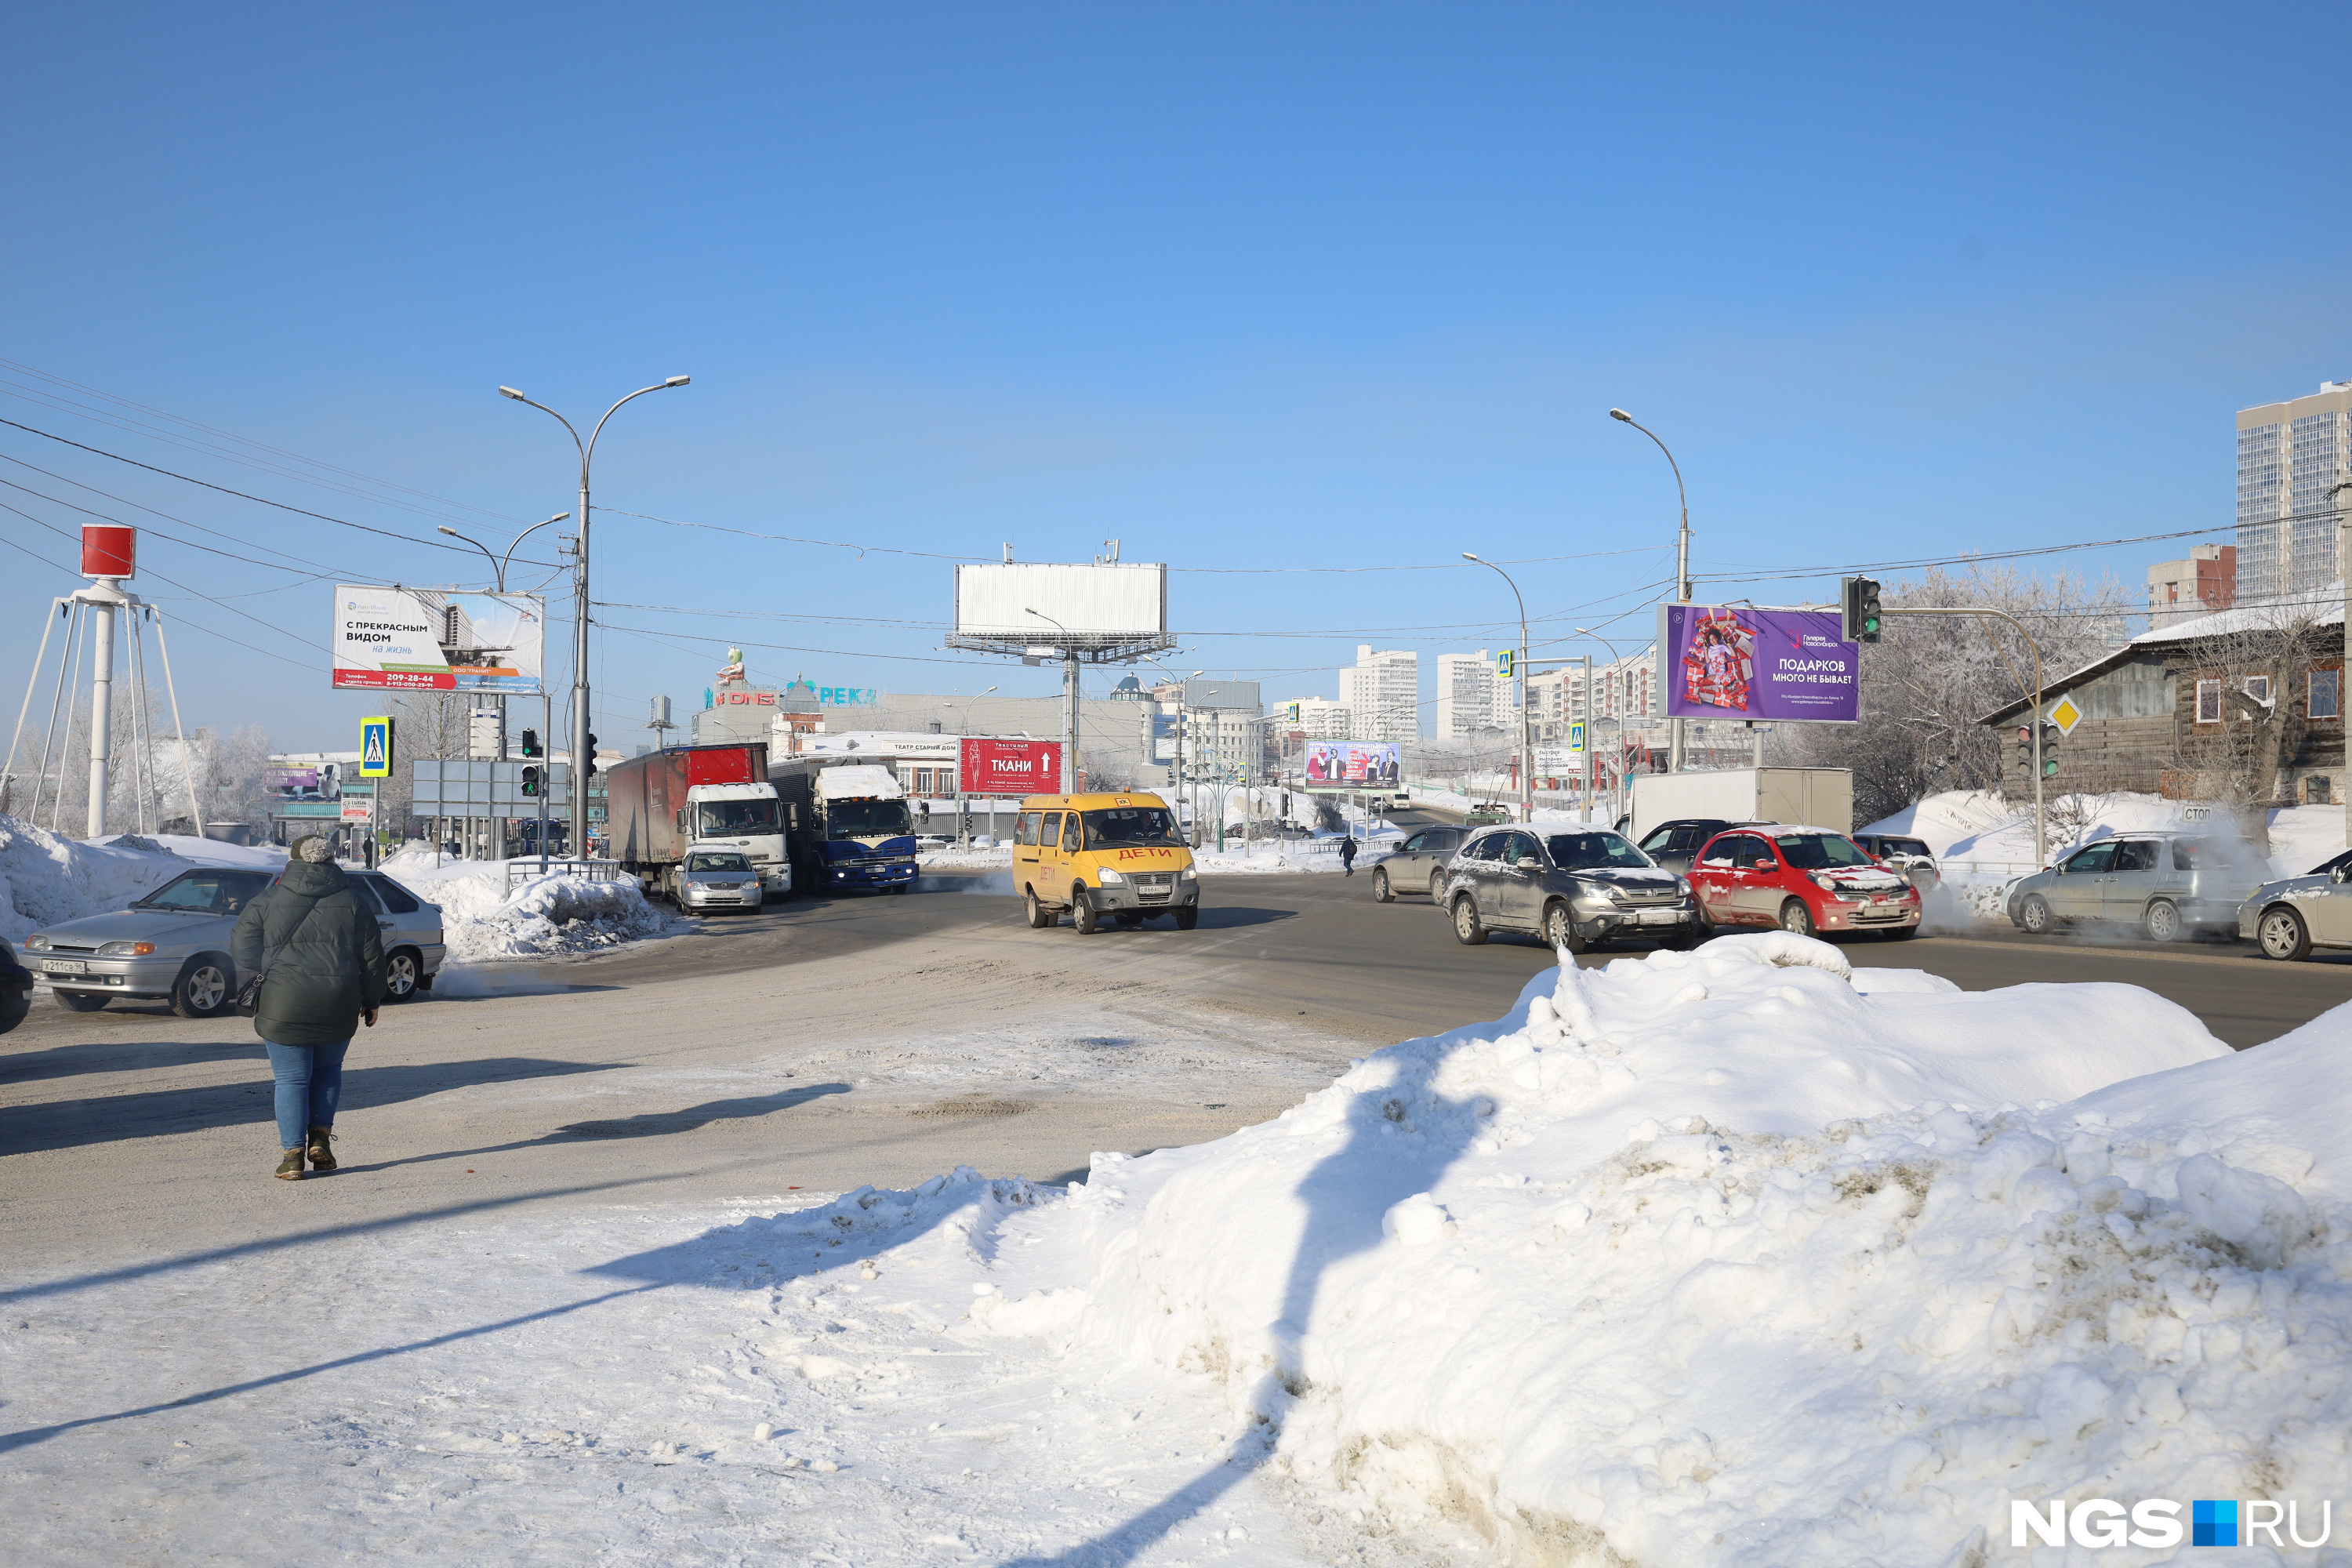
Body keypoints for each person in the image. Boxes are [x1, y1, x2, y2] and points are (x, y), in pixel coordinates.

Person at [234, 836, 388, 1181]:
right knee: (329, 1070)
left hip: (282, 1001)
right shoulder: (352, 901)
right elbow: (373, 958)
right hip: (339, 1000)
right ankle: (320, 1140)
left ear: (292, 863)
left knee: (290, 1079)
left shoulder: (268, 899)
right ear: (331, 862)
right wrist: (372, 1000)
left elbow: (241, 947)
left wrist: (271, 968)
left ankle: (292, 1158)